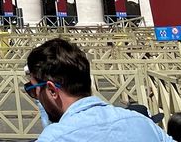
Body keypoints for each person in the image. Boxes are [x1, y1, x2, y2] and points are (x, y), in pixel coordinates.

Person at [24, 38, 167, 141]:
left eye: (32, 90)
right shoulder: (143, 123)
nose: (37, 98)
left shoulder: (54, 138)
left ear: (52, 90)